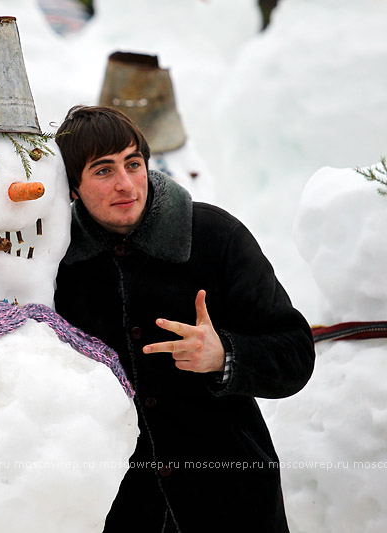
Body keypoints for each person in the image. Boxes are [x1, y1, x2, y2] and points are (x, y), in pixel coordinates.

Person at [53, 106, 314, 532]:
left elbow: (296, 354)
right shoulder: (58, 262)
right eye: (103, 171)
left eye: (133, 164)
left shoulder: (215, 236)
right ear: (73, 189)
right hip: (121, 508)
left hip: (233, 500)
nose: (125, 184)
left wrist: (225, 355)